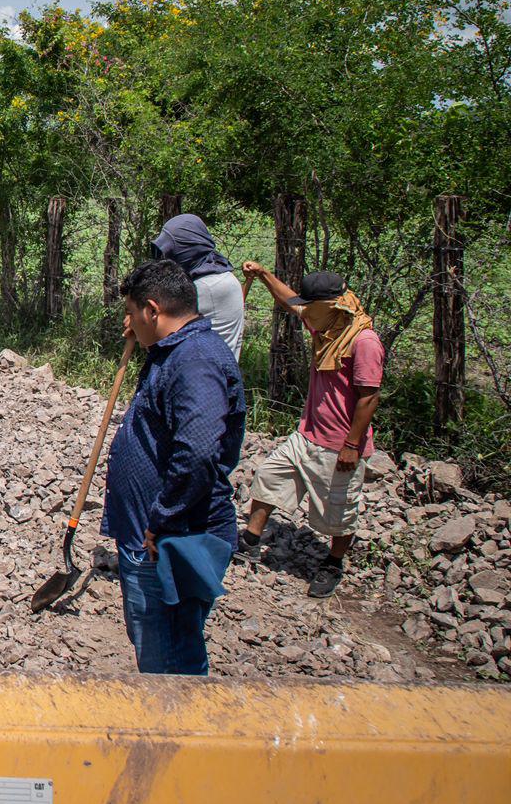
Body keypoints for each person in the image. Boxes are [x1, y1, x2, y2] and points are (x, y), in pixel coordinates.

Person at [104, 260, 247, 675]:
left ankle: (174, 717)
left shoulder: (195, 362)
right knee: (157, 644)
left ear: (152, 309)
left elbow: (198, 452)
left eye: (131, 313)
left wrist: (163, 518)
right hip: (154, 534)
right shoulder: (174, 350)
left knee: (170, 662)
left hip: (170, 540)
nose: (128, 323)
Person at [236, 264, 383, 598]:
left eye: (310, 305)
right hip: (307, 434)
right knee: (270, 477)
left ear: (329, 305)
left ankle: (333, 563)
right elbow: (291, 302)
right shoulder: (326, 326)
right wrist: (264, 275)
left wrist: (351, 444)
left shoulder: (363, 342)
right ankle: (250, 541)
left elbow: (369, 397)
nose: (304, 310)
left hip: (339, 443)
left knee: (339, 511)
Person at [151, 214, 246, 360]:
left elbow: (159, 333)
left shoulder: (207, 287)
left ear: (187, 249)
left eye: (172, 251)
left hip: (204, 368)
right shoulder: (219, 274)